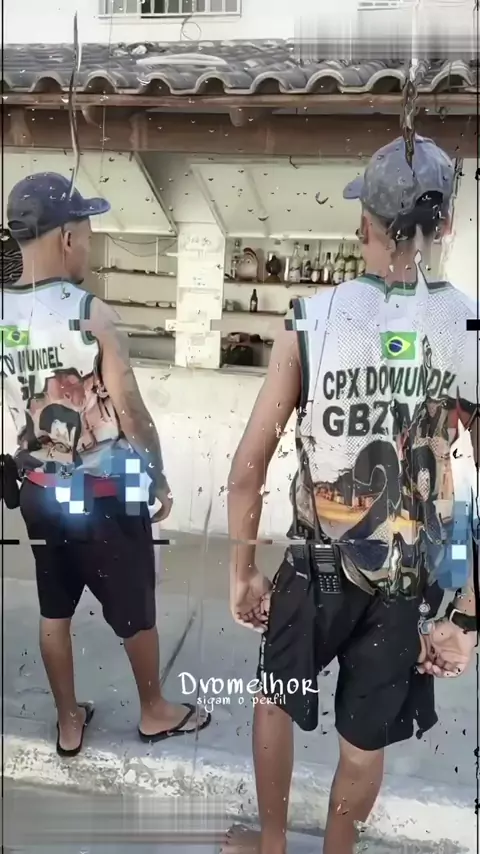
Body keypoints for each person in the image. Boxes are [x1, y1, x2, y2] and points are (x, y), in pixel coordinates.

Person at [225, 137, 478, 854]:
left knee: (275, 701)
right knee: (364, 744)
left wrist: (242, 571)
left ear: (364, 224)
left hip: (314, 570)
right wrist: (467, 616)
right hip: (406, 584)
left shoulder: (311, 320)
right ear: (446, 225)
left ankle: (272, 845)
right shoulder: (469, 327)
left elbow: (247, 469)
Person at [2, 172, 210, 757]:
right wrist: (157, 477)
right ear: (67, 237)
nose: (89, 246)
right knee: (134, 606)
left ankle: (69, 721)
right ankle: (154, 710)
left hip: (38, 488)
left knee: (54, 608)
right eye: (88, 234)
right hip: (103, 493)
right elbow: (132, 412)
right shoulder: (90, 313)